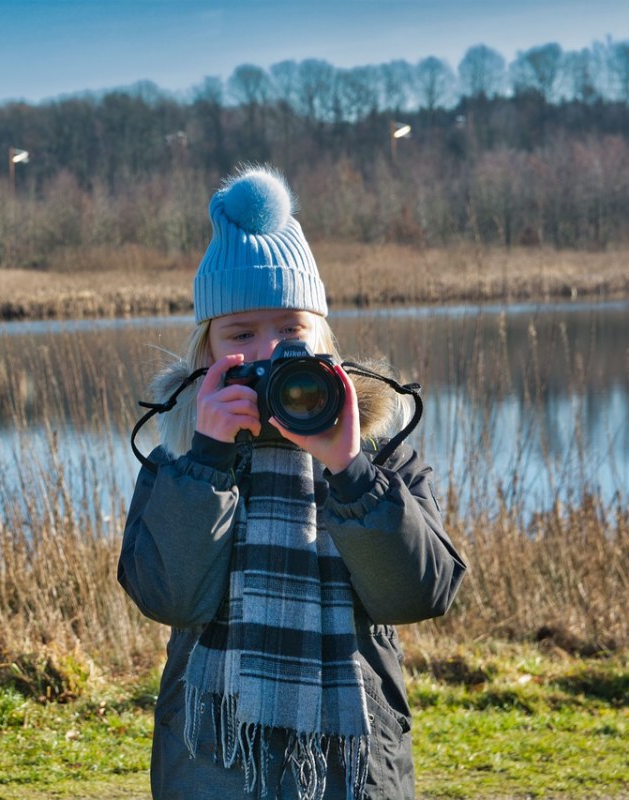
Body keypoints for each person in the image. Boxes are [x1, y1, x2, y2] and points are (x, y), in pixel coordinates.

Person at [118, 165, 466, 800]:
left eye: (289, 330)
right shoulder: (179, 460)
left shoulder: (379, 450)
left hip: (349, 769)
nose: (269, 351)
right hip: (213, 765)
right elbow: (169, 598)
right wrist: (207, 462)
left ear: (323, 340)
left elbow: (419, 595)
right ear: (207, 354)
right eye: (241, 334)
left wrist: (350, 469)